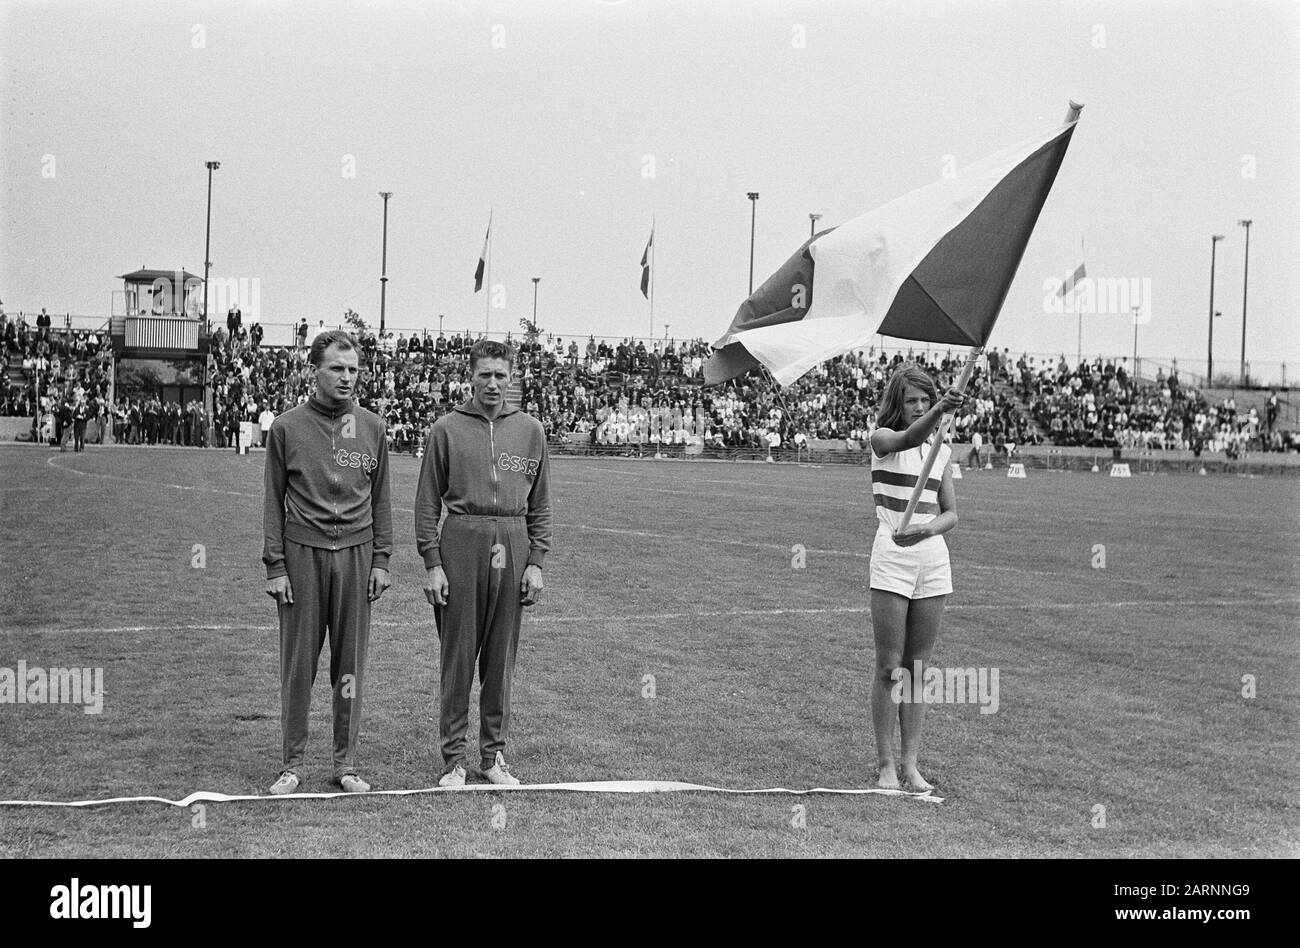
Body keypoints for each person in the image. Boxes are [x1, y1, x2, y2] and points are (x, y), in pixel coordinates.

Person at [262, 330, 393, 795]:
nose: (347, 377)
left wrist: (381, 559)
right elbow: (272, 501)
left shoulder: (373, 428)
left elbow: (381, 502)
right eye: (337, 368)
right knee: (299, 666)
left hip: (356, 555)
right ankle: (292, 764)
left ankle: (346, 764)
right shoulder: (286, 427)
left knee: (350, 666)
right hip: (302, 555)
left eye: (353, 369)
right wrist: (275, 566)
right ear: (314, 371)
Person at [415, 339, 551, 788]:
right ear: (470, 376)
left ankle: (492, 756)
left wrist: (536, 561)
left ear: (512, 378)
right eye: (484, 375)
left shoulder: (530, 431)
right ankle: (453, 759)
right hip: (462, 540)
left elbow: (541, 504)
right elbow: (427, 502)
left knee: (500, 659)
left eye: (500, 375)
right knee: (457, 658)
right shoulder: (447, 429)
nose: (492, 384)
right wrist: (432, 562)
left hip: (511, 540)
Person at [867, 364, 964, 792]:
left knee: (917, 670)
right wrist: (940, 411)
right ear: (897, 403)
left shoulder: (941, 449)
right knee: (890, 667)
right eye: (912, 401)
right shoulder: (882, 439)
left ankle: (910, 764)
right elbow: (908, 438)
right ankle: (886, 763)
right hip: (892, 556)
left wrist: (929, 528)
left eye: (926, 400)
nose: (919, 407)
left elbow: (952, 514)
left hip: (931, 559)